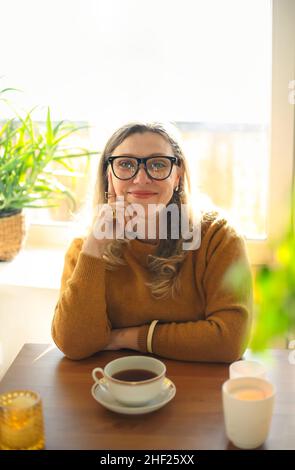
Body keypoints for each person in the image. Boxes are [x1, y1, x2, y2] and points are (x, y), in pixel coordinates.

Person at [51, 121, 253, 362]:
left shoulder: (218, 237)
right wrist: (95, 247)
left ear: (178, 176)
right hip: (114, 385)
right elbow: (74, 344)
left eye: (157, 164)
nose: (142, 177)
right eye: (126, 164)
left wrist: (125, 338)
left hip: (198, 389)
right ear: (109, 175)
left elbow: (231, 340)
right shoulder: (87, 246)